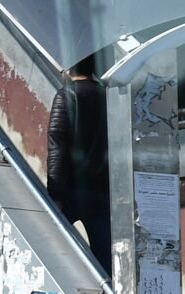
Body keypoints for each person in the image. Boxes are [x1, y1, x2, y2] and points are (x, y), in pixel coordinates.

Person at [46, 55, 111, 273]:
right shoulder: (108, 96)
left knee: (60, 252)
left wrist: (54, 193)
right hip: (102, 190)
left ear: (70, 69)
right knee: (105, 256)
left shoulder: (66, 95)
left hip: (71, 190)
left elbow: (57, 147)